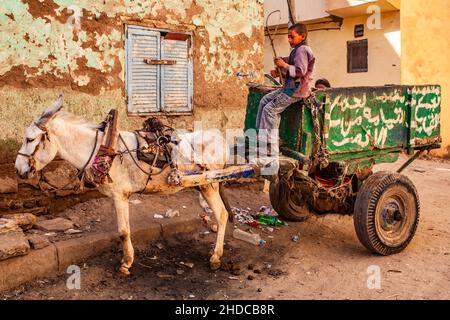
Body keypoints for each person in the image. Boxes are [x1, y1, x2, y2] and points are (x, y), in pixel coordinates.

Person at [256, 23, 315, 140]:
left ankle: (271, 144)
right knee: (264, 101)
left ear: (302, 36)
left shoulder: (302, 50)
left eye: (292, 37)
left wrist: (284, 65)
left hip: (296, 90)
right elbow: (292, 71)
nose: (289, 40)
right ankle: (259, 137)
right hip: (289, 87)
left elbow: (300, 71)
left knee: (270, 110)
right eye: (288, 37)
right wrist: (279, 72)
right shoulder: (297, 50)